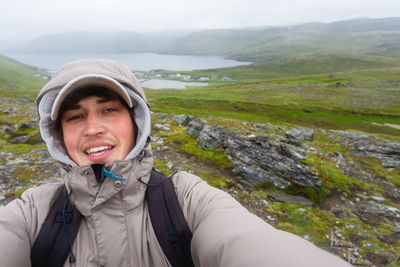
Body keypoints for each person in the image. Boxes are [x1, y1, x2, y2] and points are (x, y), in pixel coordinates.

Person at [0, 58, 352, 267]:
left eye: (109, 109)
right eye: (74, 117)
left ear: (137, 122)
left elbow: (248, 243)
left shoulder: (186, 200)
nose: (93, 128)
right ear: (58, 135)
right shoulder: (35, 211)